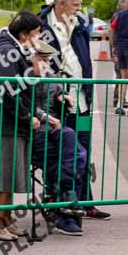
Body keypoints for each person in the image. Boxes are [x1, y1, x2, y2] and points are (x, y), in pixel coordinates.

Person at [38, 0, 110, 221]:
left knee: (83, 149)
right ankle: (56, 202)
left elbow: (83, 58)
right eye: (76, 4)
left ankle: (84, 199)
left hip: (81, 99)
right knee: (59, 152)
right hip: (56, 99)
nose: (80, 9)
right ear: (60, 4)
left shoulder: (79, 26)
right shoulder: (41, 26)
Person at [0, 12, 45, 241]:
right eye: (36, 34)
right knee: (1, 178)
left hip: (11, 123)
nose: (38, 38)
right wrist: (27, 117)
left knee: (7, 176)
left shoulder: (12, 48)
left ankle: (5, 220)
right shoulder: (6, 50)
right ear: (24, 33)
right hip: (4, 124)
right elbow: (8, 91)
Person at [29, 41, 89, 236]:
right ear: (30, 58)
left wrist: (63, 96)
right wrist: (45, 117)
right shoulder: (23, 77)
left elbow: (56, 91)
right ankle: (67, 207)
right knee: (70, 152)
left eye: (48, 59)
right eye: (41, 59)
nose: (46, 64)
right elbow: (23, 105)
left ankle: (65, 206)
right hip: (34, 133)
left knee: (79, 155)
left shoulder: (50, 76)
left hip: (54, 132)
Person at [109, 0, 128, 108]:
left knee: (121, 75)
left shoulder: (121, 15)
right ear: (123, 3)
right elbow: (112, 33)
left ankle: (119, 99)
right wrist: (113, 51)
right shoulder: (118, 16)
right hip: (119, 50)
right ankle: (119, 99)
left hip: (119, 49)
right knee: (121, 75)